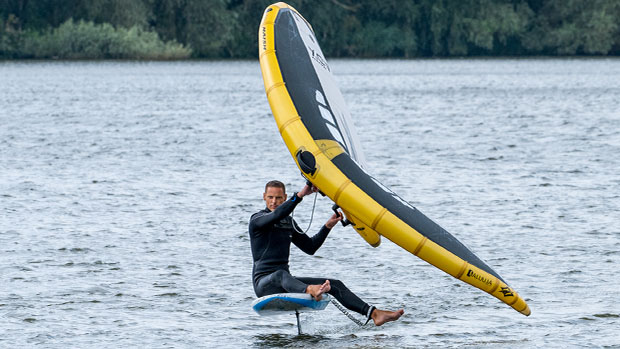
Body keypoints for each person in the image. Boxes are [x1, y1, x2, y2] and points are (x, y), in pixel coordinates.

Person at [249, 180, 404, 326]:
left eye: (278, 198)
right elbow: (276, 215)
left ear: (284, 198)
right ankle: (311, 290)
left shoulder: (288, 222)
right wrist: (300, 195)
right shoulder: (257, 220)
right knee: (280, 274)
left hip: (286, 282)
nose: (274, 202)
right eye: (270, 197)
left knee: (334, 284)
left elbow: (310, 247)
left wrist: (327, 226)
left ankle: (374, 314)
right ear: (264, 197)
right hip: (264, 284)